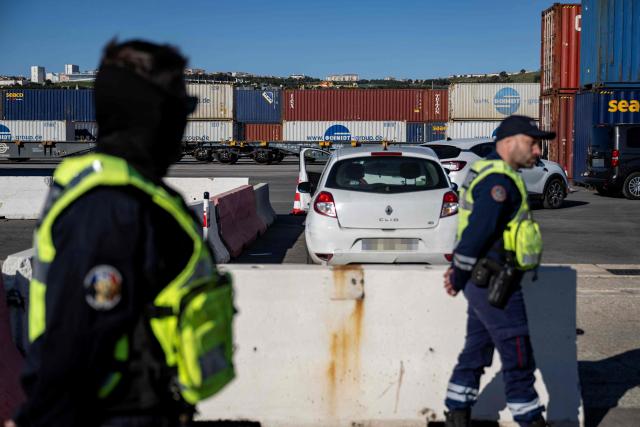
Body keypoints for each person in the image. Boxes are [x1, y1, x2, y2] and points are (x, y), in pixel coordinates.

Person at [9, 40, 233, 427]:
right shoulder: (114, 210)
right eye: (181, 109)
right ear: (153, 114)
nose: (183, 124)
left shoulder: (136, 197)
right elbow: (76, 344)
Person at [442, 116, 552, 427]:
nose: (538, 150)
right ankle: (529, 418)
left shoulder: (493, 171)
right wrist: (459, 274)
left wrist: (460, 273)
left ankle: (456, 411)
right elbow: (478, 231)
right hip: (493, 278)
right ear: (510, 142)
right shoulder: (498, 180)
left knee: (477, 348)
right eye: (532, 143)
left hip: (484, 278)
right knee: (517, 349)